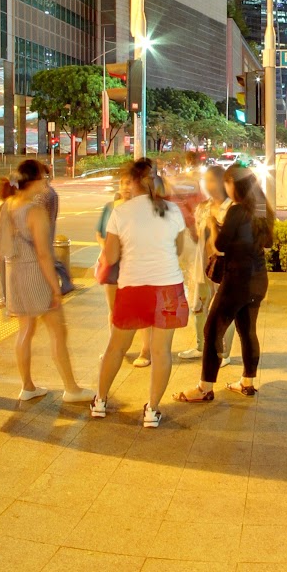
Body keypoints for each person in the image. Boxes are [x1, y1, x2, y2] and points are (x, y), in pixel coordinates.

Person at [91, 156, 197, 427]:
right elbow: (178, 250)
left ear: (134, 182)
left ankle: (100, 401)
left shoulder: (121, 212)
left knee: (116, 346)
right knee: (162, 352)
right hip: (168, 287)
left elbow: (111, 256)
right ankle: (152, 410)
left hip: (133, 287)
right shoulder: (172, 211)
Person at [0, 158, 81, 403]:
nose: (46, 182)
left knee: (25, 331)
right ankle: (71, 388)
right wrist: (54, 288)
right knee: (58, 332)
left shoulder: (8, 205)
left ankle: (28, 386)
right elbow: (43, 253)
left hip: (14, 274)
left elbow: (1, 244)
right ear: (34, 180)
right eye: (43, 177)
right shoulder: (34, 210)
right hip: (36, 276)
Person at [179, 164, 273, 402]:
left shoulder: (237, 211)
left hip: (236, 281)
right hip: (258, 279)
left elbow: (219, 248)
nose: (225, 187)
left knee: (212, 331)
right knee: (247, 331)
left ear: (235, 184)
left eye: (228, 183)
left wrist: (212, 225)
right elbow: (268, 241)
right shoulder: (261, 207)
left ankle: (205, 387)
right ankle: (247, 383)